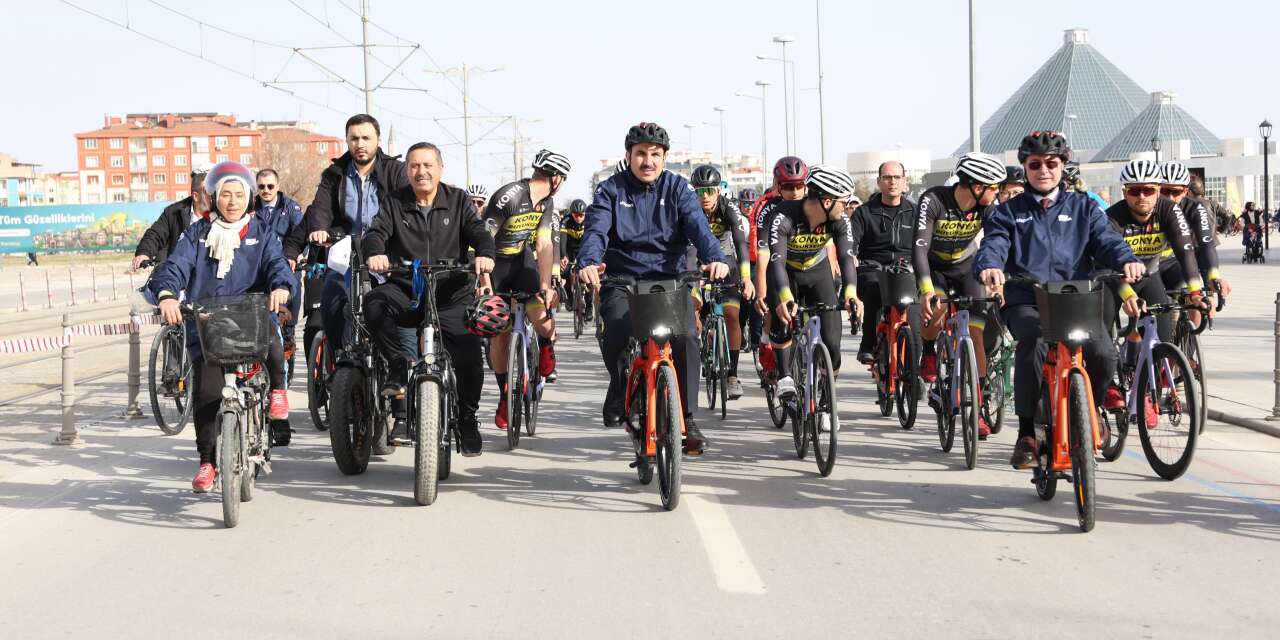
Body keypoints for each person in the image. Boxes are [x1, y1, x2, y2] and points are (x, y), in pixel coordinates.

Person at [975, 131, 1144, 470]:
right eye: (1035, 164)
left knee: (1104, 353)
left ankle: (1090, 408)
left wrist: (1126, 259)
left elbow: (1108, 240)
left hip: (1074, 299)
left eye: (1051, 163)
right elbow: (994, 243)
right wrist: (990, 266)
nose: (1044, 170)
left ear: (1063, 166)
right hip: (1027, 299)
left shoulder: (1084, 207)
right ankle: (1026, 433)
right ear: (1025, 167)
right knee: (1033, 343)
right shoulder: (1007, 212)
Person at [577, 122, 728, 454]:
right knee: (617, 332)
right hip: (622, 280)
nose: (648, 161)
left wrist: (715, 258)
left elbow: (699, 229)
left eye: (655, 154)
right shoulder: (610, 190)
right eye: (641, 154)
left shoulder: (678, 189)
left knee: (687, 338)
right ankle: (620, 388)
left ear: (664, 157)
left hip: (670, 281)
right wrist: (588, 261)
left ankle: (687, 418)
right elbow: (596, 231)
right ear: (629, 155)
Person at [148, 161, 296, 492]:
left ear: (249, 197)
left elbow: (277, 264)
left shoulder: (261, 232)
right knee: (206, 394)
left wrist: (280, 287)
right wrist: (167, 295)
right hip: (209, 325)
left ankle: (277, 392)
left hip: (251, 318)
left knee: (272, 338)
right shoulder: (197, 234)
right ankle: (207, 462)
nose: (232, 202)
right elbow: (175, 266)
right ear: (214, 196)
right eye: (225, 194)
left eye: (239, 195)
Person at [361, 142, 496, 454]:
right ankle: (398, 365)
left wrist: (485, 254)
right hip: (407, 290)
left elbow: (479, 232)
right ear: (407, 171)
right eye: (414, 166)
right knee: (374, 304)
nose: (421, 172)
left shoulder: (458, 200)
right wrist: (375, 252)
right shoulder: (394, 202)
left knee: (469, 356)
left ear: (440, 169)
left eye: (427, 165)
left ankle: (467, 418)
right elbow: (375, 233)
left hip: (451, 294)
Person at [303, 113, 413, 437]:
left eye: (366, 138)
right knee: (332, 302)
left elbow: (406, 208)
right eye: (354, 138)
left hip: (386, 255)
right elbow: (320, 208)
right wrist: (319, 229)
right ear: (347, 141)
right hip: (347, 253)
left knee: (398, 319)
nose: (360, 144)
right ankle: (345, 371)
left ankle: (402, 410)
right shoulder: (335, 173)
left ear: (377, 140)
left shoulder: (394, 171)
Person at [913, 152, 1006, 437]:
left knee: (975, 334)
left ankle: (978, 407)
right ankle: (929, 351)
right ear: (976, 186)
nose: (997, 193)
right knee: (938, 308)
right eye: (993, 187)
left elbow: (995, 241)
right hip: (935, 266)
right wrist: (926, 290)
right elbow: (919, 248)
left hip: (967, 265)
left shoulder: (988, 207)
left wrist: (997, 279)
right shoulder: (933, 200)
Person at [483, 149, 570, 427]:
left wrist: (545, 285)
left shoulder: (547, 202)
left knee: (542, 316)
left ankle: (545, 345)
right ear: (556, 178)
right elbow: (484, 240)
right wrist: (484, 285)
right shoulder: (510, 196)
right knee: (499, 333)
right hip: (495, 263)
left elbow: (544, 244)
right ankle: (504, 395)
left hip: (521, 261)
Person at [764, 165, 859, 410]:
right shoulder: (783, 216)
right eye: (843, 201)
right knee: (782, 319)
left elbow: (846, 257)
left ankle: (826, 401)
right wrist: (785, 297)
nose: (845, 207)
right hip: (786, 272)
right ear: (827, 201)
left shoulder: (840, 220)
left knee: (833, 341)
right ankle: (785, 375)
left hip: (818, 271)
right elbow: (776, 262)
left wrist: (851, 294)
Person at [1105, 159, 1203, 348]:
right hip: (1115, 280)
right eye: (1134, 191)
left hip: (1149, 276)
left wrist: (1195, 293)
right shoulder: (1112, 217)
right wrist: (1127, 294)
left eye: (1148, 190)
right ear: (1125, 193)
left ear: (1158, 191)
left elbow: (1185, 252)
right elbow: (1107, 262)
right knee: (1103, 346)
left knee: (1163, 341)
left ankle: (1154, 363)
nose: (1142, 196)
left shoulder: (1169, 209)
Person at [689, 165, 755, 399]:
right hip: (698, 261)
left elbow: (741, 245)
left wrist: (746, 278)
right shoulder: (689, 209)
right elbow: (687, 251)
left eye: (709, 190)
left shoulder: (730, 209)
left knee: (732, 315)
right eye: (699, 191)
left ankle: (732, 375)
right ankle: (702, 339)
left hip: (726, 262)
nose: (704, 196)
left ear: (718, 190)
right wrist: (693, 287)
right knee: (693, 308)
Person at [850, 160, 919, 364]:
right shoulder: (863, 212)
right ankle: (868, 344)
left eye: (897, 177)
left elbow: (926, 244)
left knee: (916, 312)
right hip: (873, 268)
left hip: (907, 269)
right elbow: (851, 245)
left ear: (904, 181)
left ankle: (914, 368)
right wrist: (851, 257)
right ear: (879, 181)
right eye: (887, 177)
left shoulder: (915, 212)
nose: (892, 182)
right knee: (873, 288)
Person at [254, 168, 305, 373]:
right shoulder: (250, 208)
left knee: (288, 320)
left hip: (287, 268)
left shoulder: (291, 208)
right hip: (260, 271)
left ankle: (287, 359)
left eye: (270, 186)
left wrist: (297, 255)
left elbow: (301, 234)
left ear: (278, 186)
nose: (266, 190)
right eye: (261, 186)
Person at [1158, 161, 1231, 302]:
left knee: (1197, 304)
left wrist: (1214, 276)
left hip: (1175, 261)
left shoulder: (1195, 208)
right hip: (1150, 263)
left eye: (1176, 192)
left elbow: (1206, 243)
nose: (1170, 198)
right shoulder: (1148, 207)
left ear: (1185, 191)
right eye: (1165, 191)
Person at [133, 164, 213, 270]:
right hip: (178, 273)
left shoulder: (223, 214)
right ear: (196, 196)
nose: (213, 195)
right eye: (209, 191)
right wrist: (144, 252)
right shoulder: (174, 212)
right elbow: (155, 234)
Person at [559, 198, 590, 317]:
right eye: (576, 215)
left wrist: (583, 257)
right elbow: (562, 240)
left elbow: (590, 241)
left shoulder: (589, 221)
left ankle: (589, 306)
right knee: (565, 271)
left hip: (583, 249)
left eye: (581, 215)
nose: (578, 218)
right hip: (569, 249)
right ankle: (570, 296)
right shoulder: (566, 221)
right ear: (571, 214)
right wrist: (563, 255)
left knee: (587, 276)